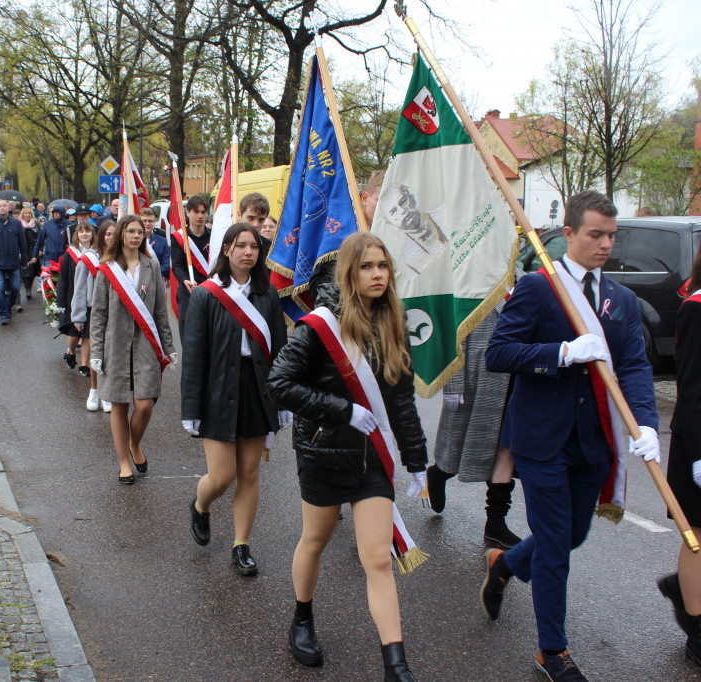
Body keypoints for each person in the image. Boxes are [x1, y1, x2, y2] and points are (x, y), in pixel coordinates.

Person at [481, 190, 659, 680]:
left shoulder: (620, 299)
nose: (605, 245)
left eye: (611, 236)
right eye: (596, 235)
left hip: (593, 440)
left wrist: (645, 422)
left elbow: (637, 367)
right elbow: (499, 352)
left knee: (574, 533)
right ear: (570, 232)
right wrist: (560, 352)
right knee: (557, 543)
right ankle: (551, 650)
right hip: (541, 438)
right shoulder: (541, 287)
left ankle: (504, 565)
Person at [266, 234, 427, 676]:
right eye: (367, 267)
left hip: (371, 460)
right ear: (349, 273)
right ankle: (302, 618)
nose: (377, 274)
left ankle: (396, 664)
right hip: (323, 452)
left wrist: (416, 460)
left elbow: (402, 401)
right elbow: (279, 383)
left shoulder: (394, 321)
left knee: (377, 557)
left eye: (383, 266)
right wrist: (342, 409)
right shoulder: (321, 326)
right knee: (315, 540)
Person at [181, 223, 288, 577]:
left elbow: (280, 350)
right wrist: (191, 408)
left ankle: (241, 545)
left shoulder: (268, 294)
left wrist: (283, 398)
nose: (248, 252)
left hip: (256, 387)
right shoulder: (206, 295)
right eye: (241, 245)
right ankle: (200, 504)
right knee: (222, 476)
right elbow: (194, 355)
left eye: (254, 246)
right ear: (226, 249)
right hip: (218, 389)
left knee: (249, 472)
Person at [426, 270, 526, 550]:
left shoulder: (527, 279)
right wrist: (452, 382)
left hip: (518, 378)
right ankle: (440, 473)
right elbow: (451, 331)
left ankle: (495, 523)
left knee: (506, 451)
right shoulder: (470, 276)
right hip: (474, 377)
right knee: (460, 448)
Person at [90, 215, 176, 484]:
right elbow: (99, 314)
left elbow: (161, 312)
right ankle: (124, 462)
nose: (137, 236)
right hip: (114, 345)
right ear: (121, 235)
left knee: (145, 404)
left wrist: (169, 346)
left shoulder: (151, 266)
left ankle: (134, 443)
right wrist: (95, 350)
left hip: (146, 345)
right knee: (118, 405)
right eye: (131, 231)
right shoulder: (107, 269)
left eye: (140, 232)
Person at [657, 242, 701, 666]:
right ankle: (698, 634)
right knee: (699, 538)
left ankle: (681, 587)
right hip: (699, 442)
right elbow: (691, 389)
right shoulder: (697, 307)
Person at [73, 219, 113, 412]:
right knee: (96, 353)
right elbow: (79, 288)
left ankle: (107, 393)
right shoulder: (90, 258)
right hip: (93, 311)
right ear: (102, 235)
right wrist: (78, 317)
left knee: (111, 354)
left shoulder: (122, 258)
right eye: (107, 234)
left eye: (115, 234)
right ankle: (94, 390)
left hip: (115, 312)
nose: (111, 237)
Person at [169, 194, 211, 338]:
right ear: (188, 212)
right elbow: (177, 266)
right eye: (196, 211)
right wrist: (184, 280)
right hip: (188, 289)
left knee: (210, 328)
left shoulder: (214, 237)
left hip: (210, 289)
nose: (199, 215)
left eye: (203, 212)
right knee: (188, 328)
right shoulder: (179, 238)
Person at [57, 221, 96, 372]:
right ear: (76, 235)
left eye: (88, 231)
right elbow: (63, 278)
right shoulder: (70, 253)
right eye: (81, 231)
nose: (85, 234)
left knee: (87, 333)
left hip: (90, 298)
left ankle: (84, 364)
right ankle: (71, 351)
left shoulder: (96, 253)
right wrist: (61, 301)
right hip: (72, 297)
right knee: (74, 332)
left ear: (92, 234)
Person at [0, 199, 29, 325]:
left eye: (4, 205)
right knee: (0, 289)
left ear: (8, 208)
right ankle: (3, 314)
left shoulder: (16, 224)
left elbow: (22, 243)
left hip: (14, 262)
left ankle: (9, 305)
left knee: (15, 287)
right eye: (0, 206)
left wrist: (25, 260)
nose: (2, 208)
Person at [139, 207, 170, 281]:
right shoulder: (135, 240)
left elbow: (166, 266)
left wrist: (150, 273)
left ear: (155, 222)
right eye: (144, 221)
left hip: (157, 280)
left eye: (150, 221)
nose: (147, 224)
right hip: (139, 279)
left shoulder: (163, 241)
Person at [18, 206, 39, 300]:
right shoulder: (19, 224)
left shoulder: (36, 224)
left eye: (29, 213)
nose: (27, 215)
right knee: (25, 269)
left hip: (33, 249)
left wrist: (39, 249)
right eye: (26, 213)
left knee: (33, 270)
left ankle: (29, 287)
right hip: (23, 250)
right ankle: (27, 290)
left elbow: (40, 237)